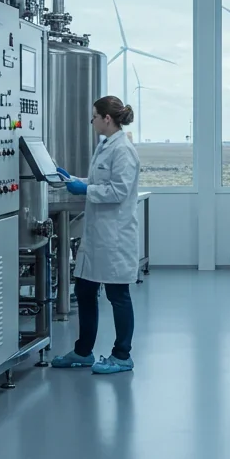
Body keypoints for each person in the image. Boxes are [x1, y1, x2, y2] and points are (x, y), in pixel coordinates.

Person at [49, 96, 142, 375]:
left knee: (118, 295)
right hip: (98, 235)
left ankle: (122, 355)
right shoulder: (105, 145)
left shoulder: (123, 150)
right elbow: (102, 182)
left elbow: (119, 191)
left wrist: (85, 190)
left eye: (93, 117)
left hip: (115, 236)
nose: (91, 122)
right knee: (85, 290)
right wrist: (74, 181)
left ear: (106, 119)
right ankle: (83, 352)